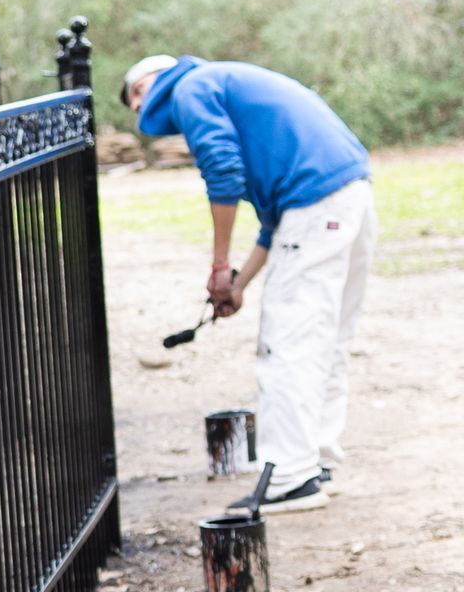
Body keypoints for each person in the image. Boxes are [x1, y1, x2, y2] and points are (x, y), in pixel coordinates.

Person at [124, 52, 376, 514]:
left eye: (138, 91)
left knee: (288, 340)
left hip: (317, 203)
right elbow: (273, 223)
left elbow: (221, 170)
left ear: (161, 77)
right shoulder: (226, 84)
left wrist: (220, 264)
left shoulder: (191, 87)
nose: (138, 107)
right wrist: (239, 283)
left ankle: (291, 477)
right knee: (327, 334)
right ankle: (315, 459)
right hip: (348, 194)